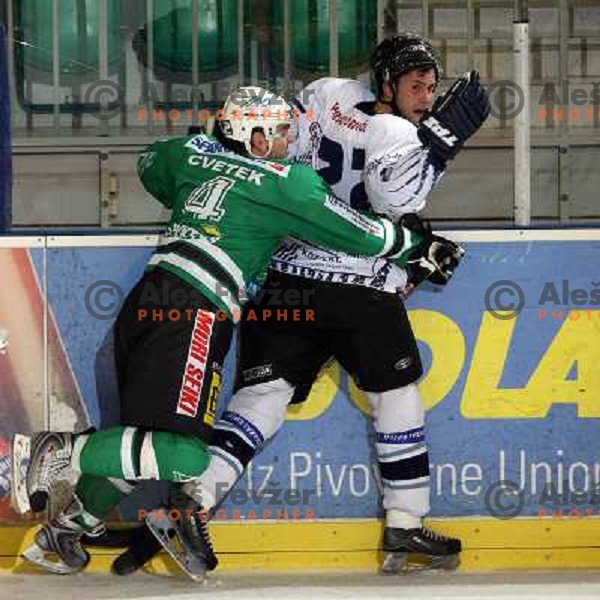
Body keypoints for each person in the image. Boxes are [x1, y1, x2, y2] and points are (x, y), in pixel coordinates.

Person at [10, 86, 434, 580]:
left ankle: (65, 532)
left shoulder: (191, 157)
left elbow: (153, 162)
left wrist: (214, 152)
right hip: (195, 312)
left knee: (142, 443)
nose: (286, 140)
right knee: (186, 454)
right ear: (252, 137)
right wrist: (414, 244)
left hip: (149, 303)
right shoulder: (284, 184)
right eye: (276, 132)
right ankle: (59, 452)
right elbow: (362, 234)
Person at [132, 34, 488, 575]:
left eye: (431, 88)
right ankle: (405, 524)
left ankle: (193, 502)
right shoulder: (398, 131)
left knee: (261, 398)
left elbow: (274, 148)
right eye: (416, 85)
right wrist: (439, 142)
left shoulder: (326, 94)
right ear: (387, 82)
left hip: (288, 279)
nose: (425, 96)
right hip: (359, 288)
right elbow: (397, 201)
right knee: (397, 398)